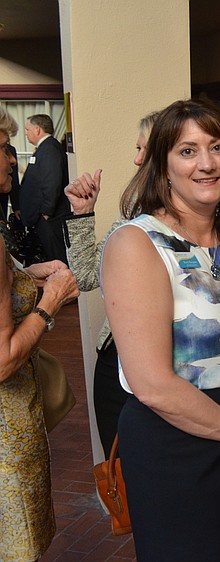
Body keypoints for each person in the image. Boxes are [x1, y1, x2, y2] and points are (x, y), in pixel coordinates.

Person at [100, 99, 220, 561]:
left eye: (217, 147)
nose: (206, 163)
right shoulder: (136, 243)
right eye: (188, 151)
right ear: (161, 165)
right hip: (179, 444)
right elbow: (153, 386)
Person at [0, 107, 79, 560]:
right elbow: (4, 359)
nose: (12, 160)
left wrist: (24, 274)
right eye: (3, 150)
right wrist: (48, 304)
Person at [63, 110, 159, 454]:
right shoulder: (133, 207)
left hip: (168, 370)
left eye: (143, 149)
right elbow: (88, 275)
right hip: (115, 364)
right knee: (122, 475)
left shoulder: (204, 217)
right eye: (137, 148)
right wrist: (82, 213)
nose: (136, 160)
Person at [20, 114, 71, 264]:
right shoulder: (44, 148)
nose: (25, 133)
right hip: (43, 218)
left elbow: (52, 182)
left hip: (50, 218)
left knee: (57, 259)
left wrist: (46, 212)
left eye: (27, 129)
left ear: (37, 130)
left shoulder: (50, 149)